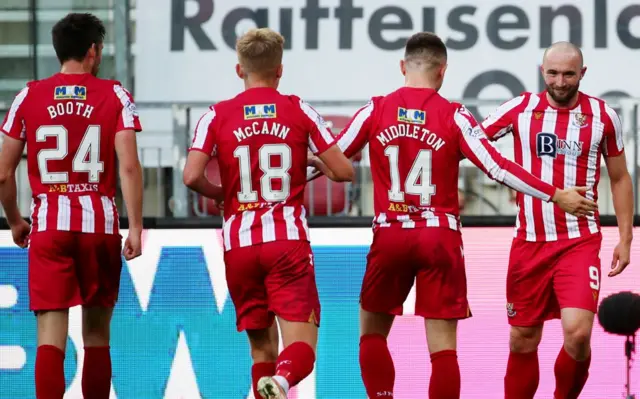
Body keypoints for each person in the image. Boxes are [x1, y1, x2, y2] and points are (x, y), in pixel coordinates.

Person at [310, 32, 597, 399]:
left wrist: (272, 183)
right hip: (439, 237)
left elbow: (333, 157)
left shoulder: (375, 108)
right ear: (442, 71)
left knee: (371, 334)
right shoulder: (454, 114)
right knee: (443, 349)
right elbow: (497, 166)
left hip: (391, 233)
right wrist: (555, 194)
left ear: (403, 66)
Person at [182, 27, 353, 399]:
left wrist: (223, 196)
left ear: (238, 70)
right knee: (301, 351)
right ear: (280, 70)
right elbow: (344, 171)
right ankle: (280, 382)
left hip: (238, 244)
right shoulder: (297, 108)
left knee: (261, 350)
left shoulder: (216, 115)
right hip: (285, 242)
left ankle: (270, 383)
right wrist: (309, 162)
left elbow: (191, 175)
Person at [477, 41, 634, 399]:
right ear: (541, 71)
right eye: (552, 73)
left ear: (583, 73)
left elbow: (621, 178)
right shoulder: (519, 108)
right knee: (522, 339)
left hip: (579, 242)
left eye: (568, 73)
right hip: (529, 242)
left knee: (578, 335)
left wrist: (625, 239)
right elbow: (472, 141)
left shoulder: (603, 116)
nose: (560, 81)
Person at [0, 13, 144, 399]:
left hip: (49, 227)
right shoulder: (114, 95)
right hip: (99, 225)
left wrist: (15, 220)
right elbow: (129, 166)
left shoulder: (28, 96)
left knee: (50, 336)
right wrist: (135, 228)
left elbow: (3, 173)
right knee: (96, 335)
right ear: (93, 51)